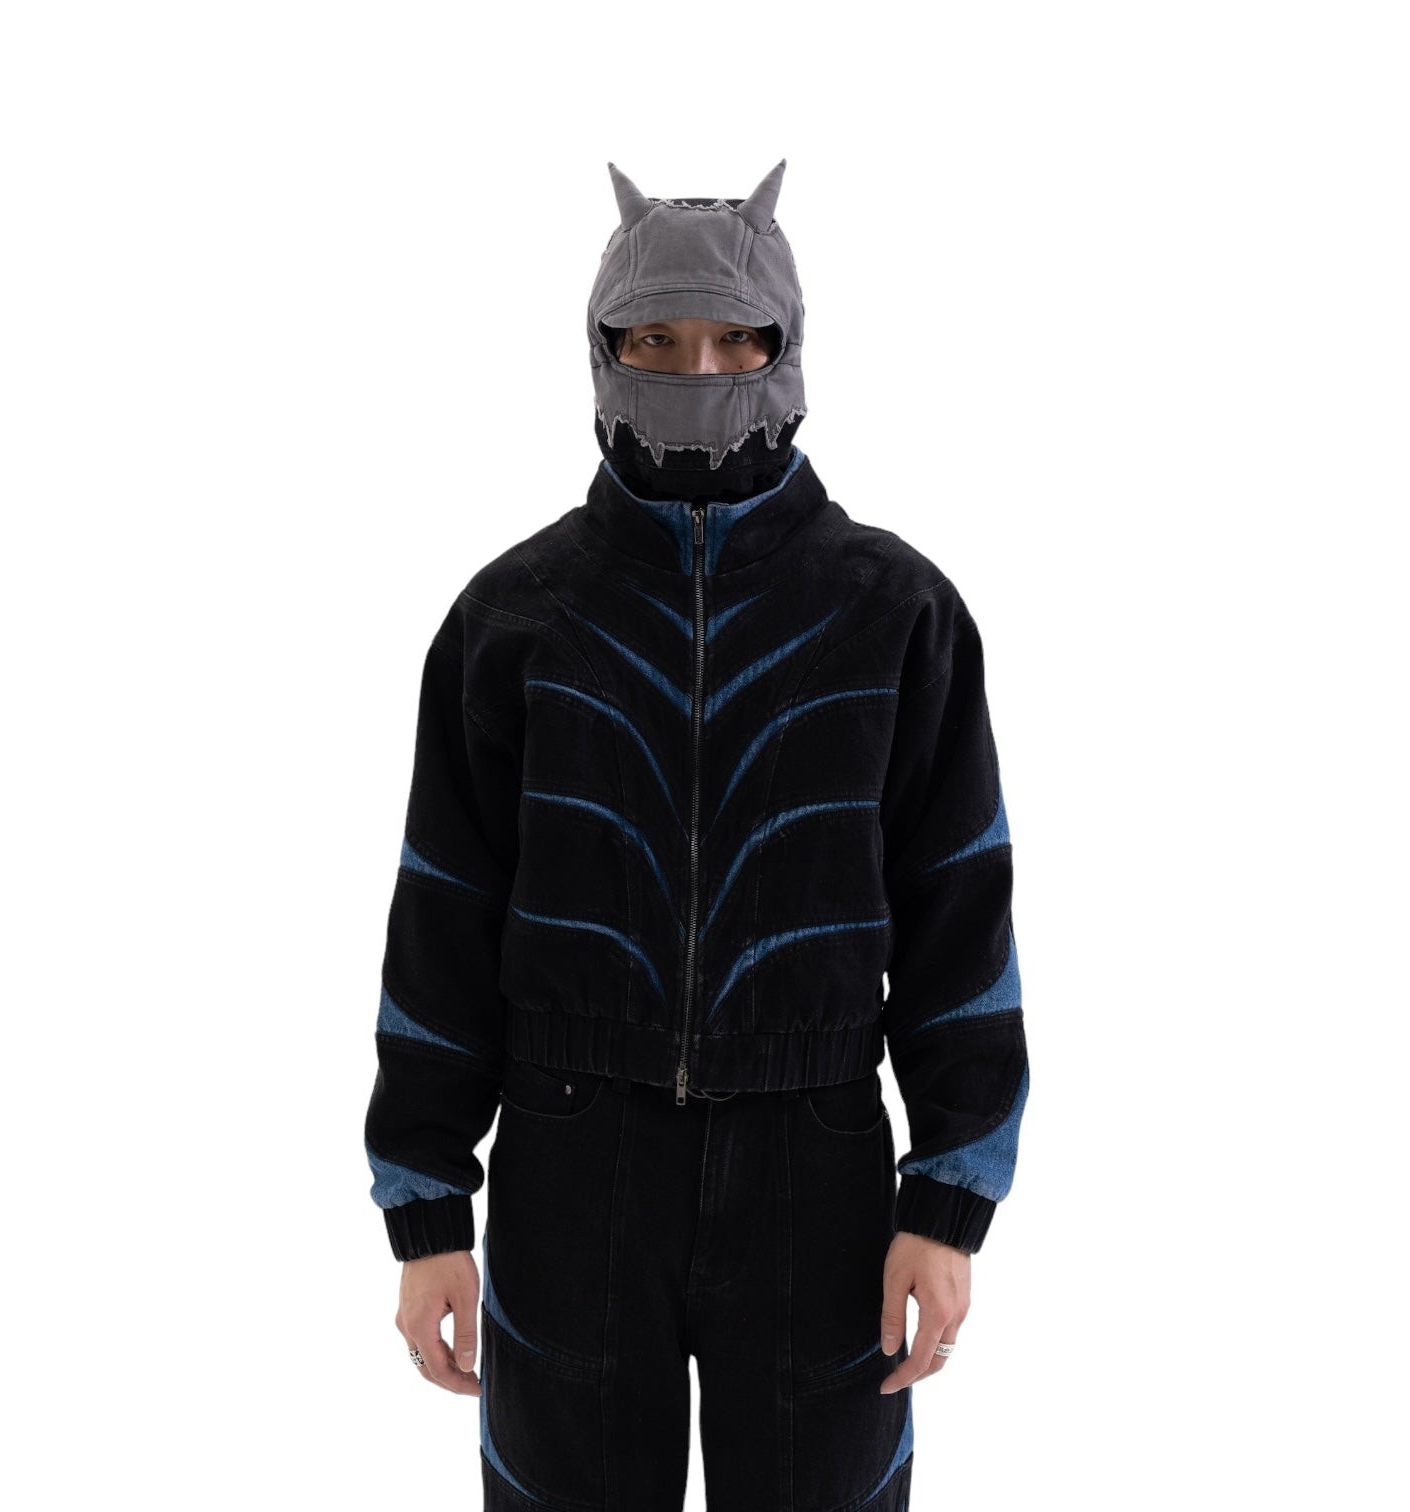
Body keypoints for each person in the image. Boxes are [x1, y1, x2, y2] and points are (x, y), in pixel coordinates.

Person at [363, 160, 1030, 1510]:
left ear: (790, 346)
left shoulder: (895, 615)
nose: (697, 368)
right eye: (654, 340)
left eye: (735, 338)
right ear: (598, 348)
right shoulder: (514, 620)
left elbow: (960, 915)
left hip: (817, 1163)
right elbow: (443, 918)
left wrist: (949, 1197)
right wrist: (426, 1210)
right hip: (570, 1158)